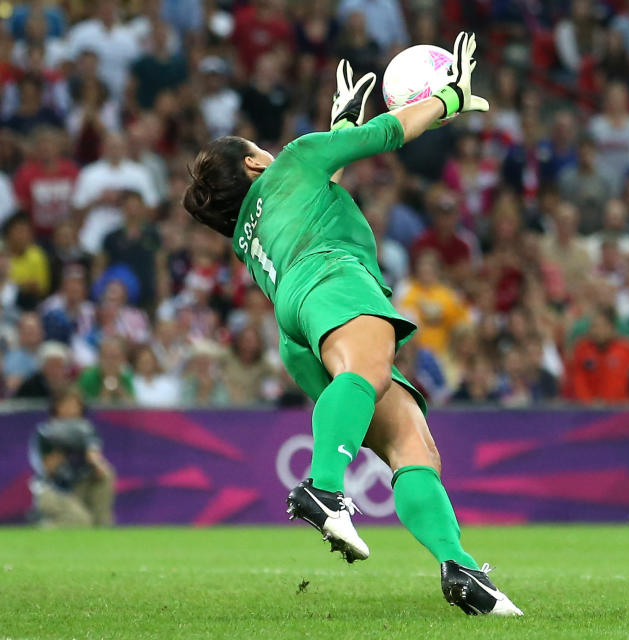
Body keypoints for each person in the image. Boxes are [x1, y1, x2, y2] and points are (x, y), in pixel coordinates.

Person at [181, 36, 521, 616]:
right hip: (333, 276)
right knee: (370, 370)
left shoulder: (247, 230)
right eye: (263, 148)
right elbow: (391, 132)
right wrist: (449, 98)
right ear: (255, 162)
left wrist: (336, 133)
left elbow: (317, 184)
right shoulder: (293, 159)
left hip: (297, 325)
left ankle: (460, 570)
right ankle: (324, 487)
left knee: (408, 442)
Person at [29, 389, 116, 527]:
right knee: (81, 520)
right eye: (66, 404)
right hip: (53, 490)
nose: (71, 409)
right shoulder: (46, 432)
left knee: (106, 474)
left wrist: (98, 466)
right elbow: (47, 470)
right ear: (56, 407)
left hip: (79, 487)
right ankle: (44, 527)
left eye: (75, 405)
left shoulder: (86, 429)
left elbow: (94, 455)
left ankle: (102, 524)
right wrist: (60, 450)